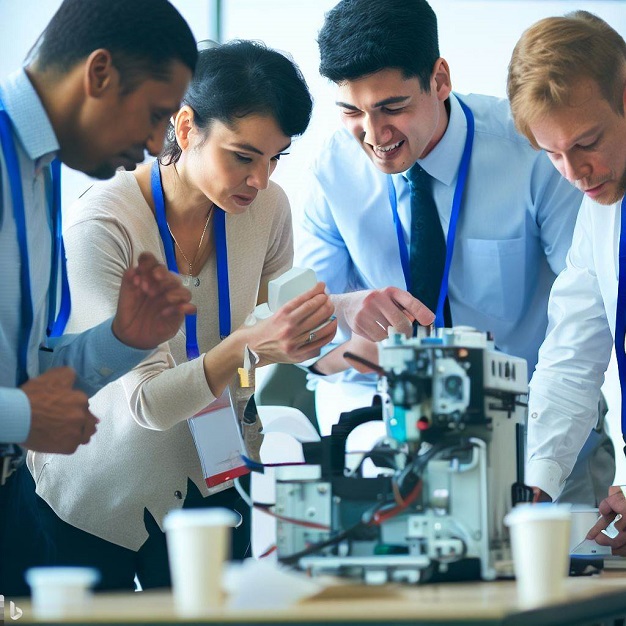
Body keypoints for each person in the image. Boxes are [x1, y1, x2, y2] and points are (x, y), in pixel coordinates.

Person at [27, 40, 337, 591]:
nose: (260, 180)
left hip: (215, 488)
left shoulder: (268, 208)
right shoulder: (102, 228)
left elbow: (256, 357)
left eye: (276, 158)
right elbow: (147, 402)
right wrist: (250, 347)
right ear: (187, 126)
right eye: (243, 156)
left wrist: (302, 335)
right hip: (98, 499)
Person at [294, 0, 614, 505]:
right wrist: (339, 312)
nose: (375, 136)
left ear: (439, 80)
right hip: (396, 448)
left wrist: (543, 469)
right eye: (353, 112)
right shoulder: (333, 172)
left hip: (538, 436)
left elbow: (587, 311)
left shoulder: (538, 150)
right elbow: (305, 347)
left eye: (392, 107)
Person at [0, 0, 197, 595]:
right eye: (156, 114)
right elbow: (25, 406)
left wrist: (123, 340)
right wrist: (22, 417)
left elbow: (31, 378)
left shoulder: (43, 174)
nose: (157, 142)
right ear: (100, 74)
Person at [506, 10, 626, 549]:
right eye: (552, 153)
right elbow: (572, 356)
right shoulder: (598, 207)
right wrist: (539, 488)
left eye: (587, 142)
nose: (574, 173)